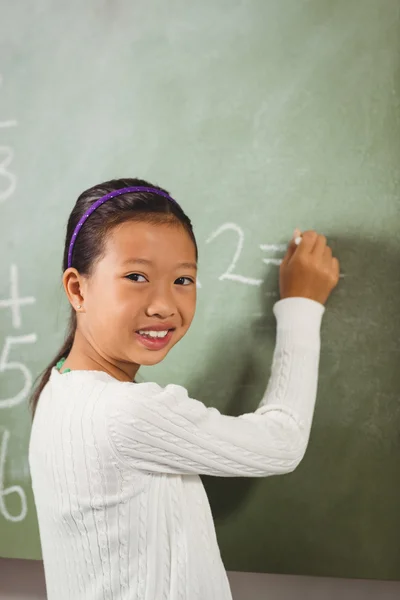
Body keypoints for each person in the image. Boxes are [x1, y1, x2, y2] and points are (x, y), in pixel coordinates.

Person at [29, 178, 339, 600]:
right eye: (136, 276)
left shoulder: (58, 388)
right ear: (78, 288)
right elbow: (282, 442)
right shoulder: (125, 412)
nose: (164, 305)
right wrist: (302, 306)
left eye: (183, 280)